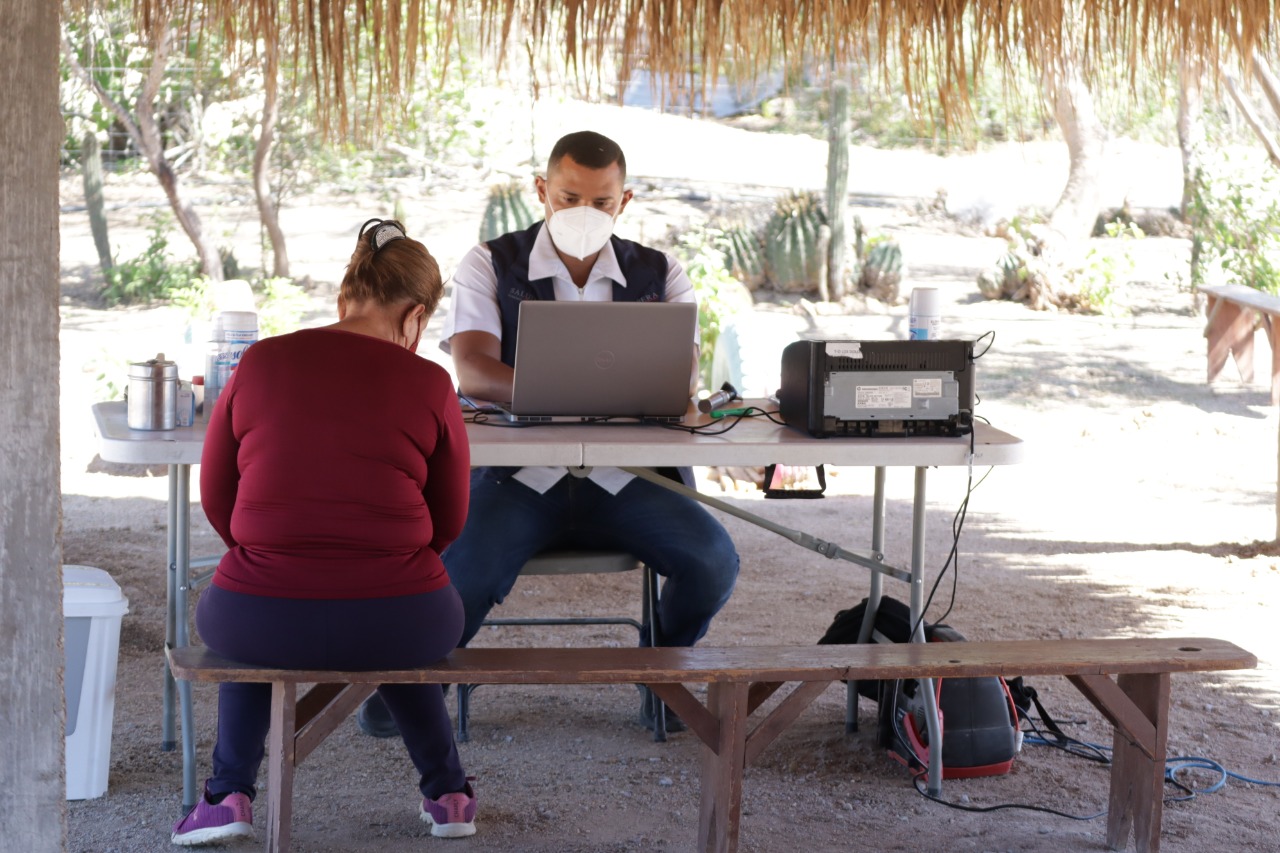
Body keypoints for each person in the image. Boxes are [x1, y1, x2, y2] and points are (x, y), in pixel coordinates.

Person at [358, 130, 740, 738]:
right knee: (461, 577)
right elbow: (474, 372)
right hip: (518, 477)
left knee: (713, 562)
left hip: (627, 477)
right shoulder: (490, 262)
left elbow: (681, 379)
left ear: (625, 201)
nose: (584, 213)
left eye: (602, 202)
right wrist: (600, 393)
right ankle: (409, 695)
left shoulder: (660, 272)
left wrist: (563, 391)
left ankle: (662, 673)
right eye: (568, 198)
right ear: (541, 190)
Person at [172, 219, 478, 846]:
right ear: (417, 316)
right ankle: (449, 796)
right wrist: (387, 565)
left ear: (345, 298)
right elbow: (449, 519)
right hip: (405, 620)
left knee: (250, 626)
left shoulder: (259, 361)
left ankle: (227, 795)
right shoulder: (431, 382)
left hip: (258, 618)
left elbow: (218, 496)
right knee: (402, 627)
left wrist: (272, 557)